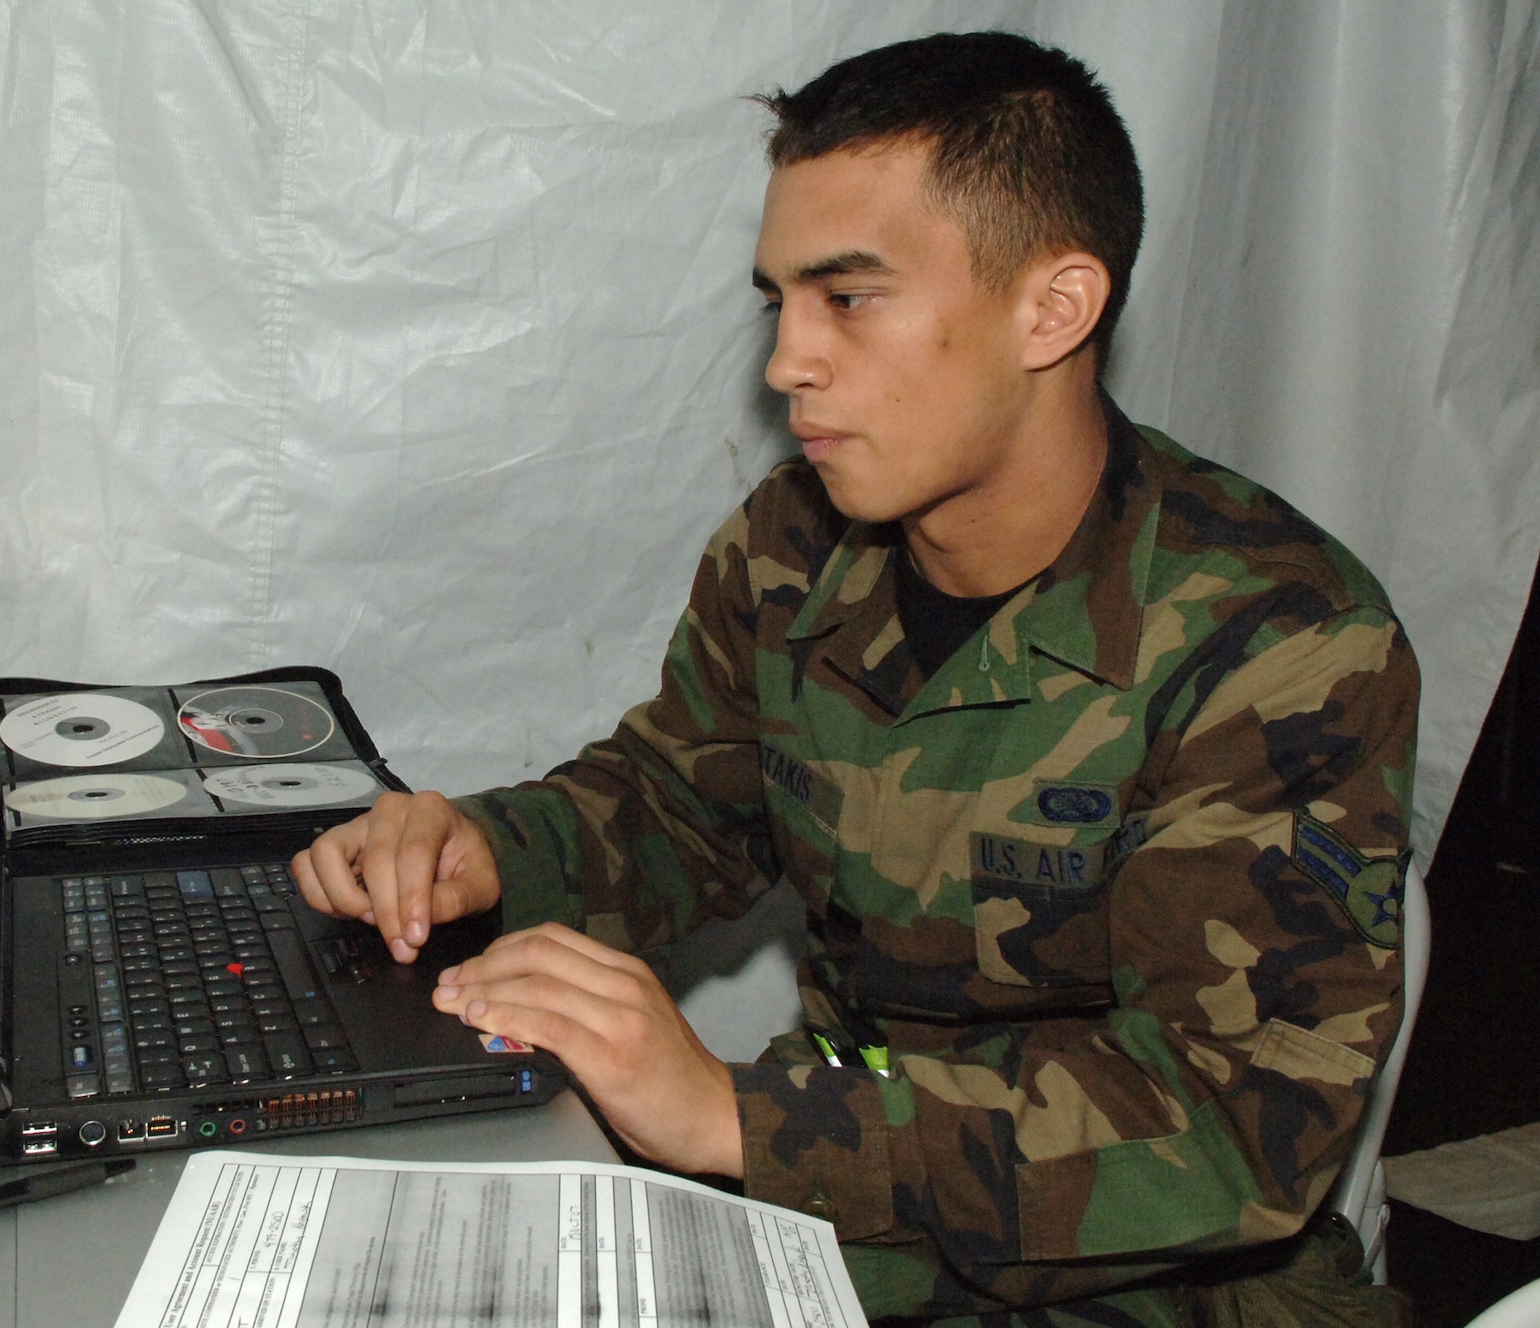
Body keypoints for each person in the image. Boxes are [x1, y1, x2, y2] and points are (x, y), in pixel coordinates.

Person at [293, 30, 1417, 1325]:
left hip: (1160, 1280)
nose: (787, 365)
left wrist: (736, 1112)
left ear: (1052, 308)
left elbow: (1231, 1135)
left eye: (851, 297)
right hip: (829, 1219)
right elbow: (681, 802)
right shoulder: (795, 547)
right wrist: (479, 851)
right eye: (781, 302)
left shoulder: (1279, 639)